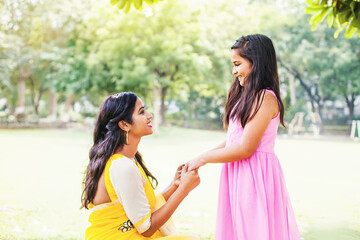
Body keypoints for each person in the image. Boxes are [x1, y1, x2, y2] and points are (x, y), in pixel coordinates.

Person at [188, 34, 300, 240]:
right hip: (237, 171)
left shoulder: (265, 98)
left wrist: (203, 159)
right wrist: (199, 158)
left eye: (238, 64)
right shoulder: (245, 96)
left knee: (253, 230)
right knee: (236, 229)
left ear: (256, 62)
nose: (234, 71)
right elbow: (233, 140)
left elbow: (246, 148)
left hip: (254, 174)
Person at [81, 92, 200, 240]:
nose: (149, 115)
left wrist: (175, 186)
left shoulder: (125, 160)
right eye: (142, 112)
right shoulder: (122, 166)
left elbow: (140, 208)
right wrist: (184, 190)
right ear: (124, 124)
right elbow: (147, 228)